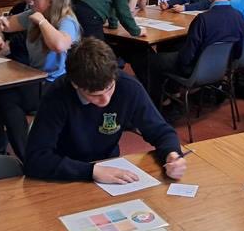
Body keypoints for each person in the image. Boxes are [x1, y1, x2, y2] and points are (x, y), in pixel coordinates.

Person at [24, 37, 186, 183]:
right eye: (95, 95)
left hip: (109, 165)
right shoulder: (57, 95)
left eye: (109, 89)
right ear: (75, 84)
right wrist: (91, 171)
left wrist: (171, 154)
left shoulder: (128, 87)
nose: (105, 100)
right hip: (66, 172)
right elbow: (36, 159)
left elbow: (161, 131)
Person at [0, 0, 81, 161]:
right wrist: (0, 25)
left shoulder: (66, 21)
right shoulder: (33, 14)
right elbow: (7, 24)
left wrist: (43, 23)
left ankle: (28, 155)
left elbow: (60, 45)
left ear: (51, 0)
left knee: (7, 99)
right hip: (36, 78)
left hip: (57, 84)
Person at [148, 0, 244, 103]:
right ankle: (172, 93)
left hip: (196, 70)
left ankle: (162, 102)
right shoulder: (239, 17)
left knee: (154, 60)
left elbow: (186, 58)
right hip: (221, 68)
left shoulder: (203, 20)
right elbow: (238, 52)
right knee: (174, 47)